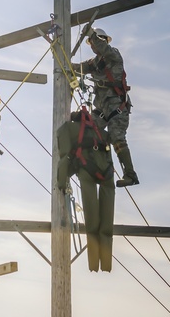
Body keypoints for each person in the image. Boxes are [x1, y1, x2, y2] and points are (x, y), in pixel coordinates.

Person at [56, 108, 116, 272]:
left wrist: (61, 183)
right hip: (108, 174)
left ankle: (94, 266)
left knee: (92, 223)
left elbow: (64, 157)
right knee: (106, 225)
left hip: (87, 170)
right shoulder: (101, 132)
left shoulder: (68, 128)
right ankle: (106, 265)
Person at [78, 27, 139, 186]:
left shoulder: (114, 55)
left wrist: (91, 34)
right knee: (86, 131)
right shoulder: (95, 63)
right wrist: (61, 63)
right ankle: (93, 168)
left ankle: (130, 176)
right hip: (102, 109)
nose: (93, 45)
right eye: (92, 43)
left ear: (104, 40)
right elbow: (78, 69)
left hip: (117, 108)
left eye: (96, 41)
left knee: (116, 138)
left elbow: (103, 48)